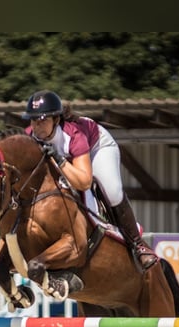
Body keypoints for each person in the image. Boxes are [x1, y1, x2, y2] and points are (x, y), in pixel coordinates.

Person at [22, 89, 158, 271]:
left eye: (43, 120)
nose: (37, 127)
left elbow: (84, 182)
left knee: (112, 191)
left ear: (56, 119)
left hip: (97, 147)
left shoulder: (74, 135)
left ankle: (138, 245)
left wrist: (60, 159)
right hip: (70, 158)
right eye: (33, 120)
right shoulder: (30, 136)